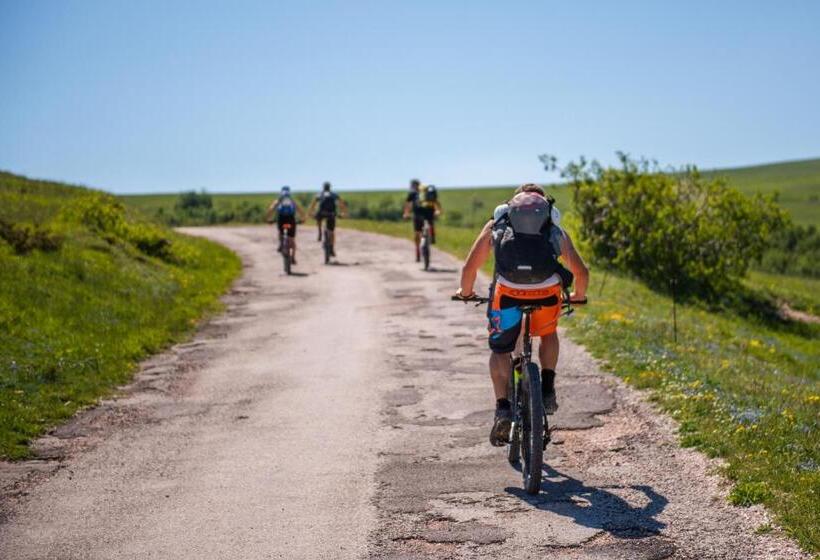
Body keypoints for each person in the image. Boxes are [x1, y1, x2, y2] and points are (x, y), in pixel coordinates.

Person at [454, 184, 589, 446]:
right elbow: (581, 272)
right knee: (548, 332)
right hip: (546, 294)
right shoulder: (554, 228)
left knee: (501, 350)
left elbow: (471, 265)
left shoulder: (498, 224)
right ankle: (547, 388)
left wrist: (467, 292)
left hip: (508, 293)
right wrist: (578, 296)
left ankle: (502, 408)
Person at [402, 179, 442, 262]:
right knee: (430, 223)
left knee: (417, 233)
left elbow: (408, 205)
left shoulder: (412, 193)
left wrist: (406, 214)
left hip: (418, 214)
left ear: (413, 186)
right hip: (429, 212)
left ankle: (417, 252)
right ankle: (432, 237)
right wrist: (438, 211)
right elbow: (436, 202)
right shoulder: (428, 192)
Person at [265, 186, 306, 264]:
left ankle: (281, 244)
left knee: (280, 232)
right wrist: (303, 219)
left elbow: (272, 208)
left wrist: (267, 218)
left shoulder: (279, 200)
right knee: (292, 239)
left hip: (281, 219)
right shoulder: (292, 200)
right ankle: (293, 258)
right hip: (291, 219)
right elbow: (299, 210)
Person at [307, 181, 348, 255]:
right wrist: (344, 213)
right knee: (332, 232)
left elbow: (312, 205)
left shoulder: (319, 195)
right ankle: (332, 248)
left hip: (321, 213)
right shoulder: (334, 194)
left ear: (323, 187)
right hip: (331, 214)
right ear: (330, 187)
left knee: (318, 217)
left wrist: (310, 213)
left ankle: (319, 232)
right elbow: (342, 204)